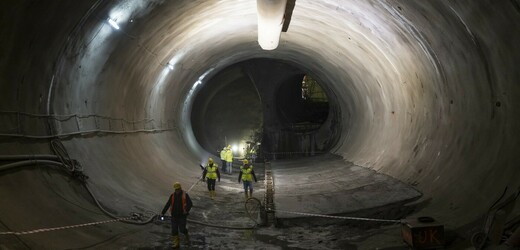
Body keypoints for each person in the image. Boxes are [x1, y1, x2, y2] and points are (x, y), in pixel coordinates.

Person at [161, 182, 193, 248]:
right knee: (174, 230)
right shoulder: (172, 196)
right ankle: (176, 243)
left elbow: (190, 204)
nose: (177, 191)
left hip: (182, 216)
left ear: (180, 188)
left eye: (178, 189)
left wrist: (186, 210)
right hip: (174, 216)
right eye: (176, 189)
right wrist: (163, 212)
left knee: (182, 229)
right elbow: (168, 204)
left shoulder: (185, 195)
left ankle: (187, 236)